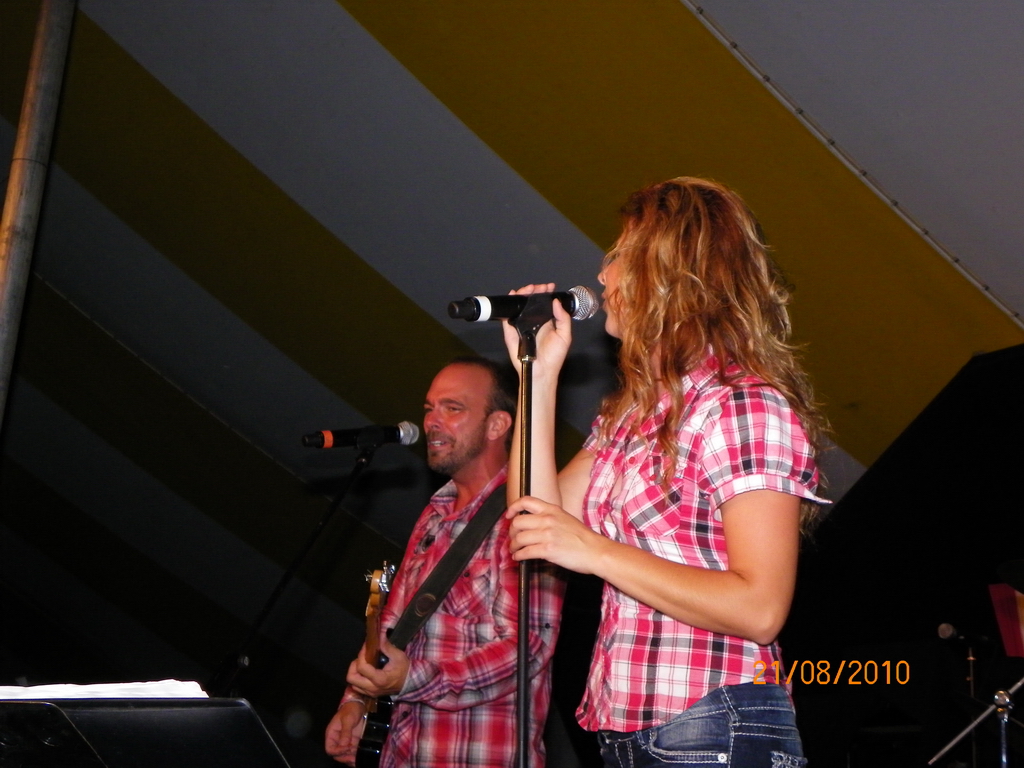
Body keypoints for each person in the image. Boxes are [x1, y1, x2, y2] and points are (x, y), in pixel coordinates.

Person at [502, 177, 828, 767]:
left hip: (714, 724)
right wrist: (535, 378)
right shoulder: (633, 415)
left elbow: (760, 609)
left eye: (618, 257)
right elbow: (536, 522)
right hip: (631, 732)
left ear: (670, 273)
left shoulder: (743, 405)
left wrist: (595, 551)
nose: (602, 276)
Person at [324, 357, 565, 767]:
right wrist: (358, 701)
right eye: (429, 408)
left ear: (497, 425)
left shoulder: (527, 514)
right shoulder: (434, 514)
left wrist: (412, 680)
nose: (432, 421)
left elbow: (526, 649)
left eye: (452, 409)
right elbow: (393, 626)